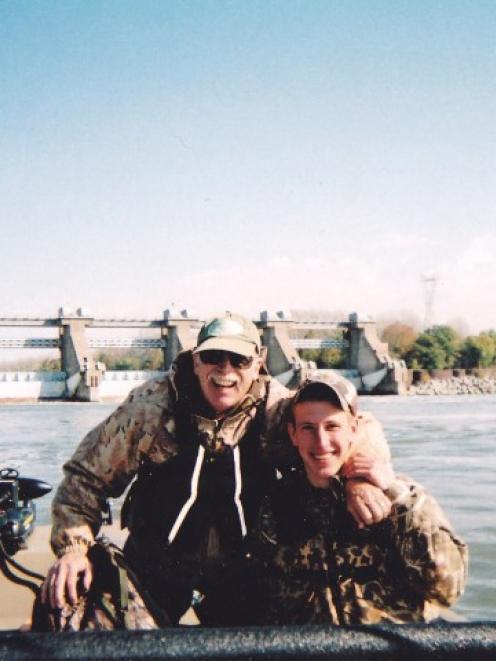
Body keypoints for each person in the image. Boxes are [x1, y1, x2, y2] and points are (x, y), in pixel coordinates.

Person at [36, 313, 392, 629]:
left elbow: (353, 426)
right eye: (212, 357)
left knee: (321, 619)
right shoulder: (151, 409)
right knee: (67, 602)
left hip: (245, 574)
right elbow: (85, 477)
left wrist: (357, 478)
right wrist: (74, 548)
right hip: (152, 569)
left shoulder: (278, 410)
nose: (225, 371)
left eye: (238, 359)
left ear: (258, 363)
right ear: (195, 362)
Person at [263, 375, 468, 625]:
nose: (321, 441)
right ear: (293, 434)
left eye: (332, 426)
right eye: (308, 427)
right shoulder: (276, 504)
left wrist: (399, 500)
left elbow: (448, 589)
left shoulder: (402, 497)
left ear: (354, 430)